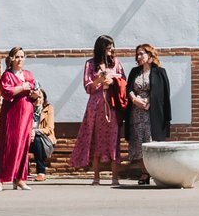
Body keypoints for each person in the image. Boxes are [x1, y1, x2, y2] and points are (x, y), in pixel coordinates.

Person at [72, 34, 125, 185]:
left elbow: (123, 81)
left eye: (113, 46)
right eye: (109, 47)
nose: (112, 49)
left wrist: (113, 80)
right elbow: (88, 87)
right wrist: (100, 80)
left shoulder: (116, 63)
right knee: (95, 139)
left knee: (114, 140)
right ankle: (96, 177)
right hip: (95, 106)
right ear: (102, 48)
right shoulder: (90, 64)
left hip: (112, 105)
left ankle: (115, 178)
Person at [124, 43, 175, 184]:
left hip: (152, 113)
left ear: (150, 55)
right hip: (136, 113)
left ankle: (156, 173)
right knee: (139, 143)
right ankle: (144, 173)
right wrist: (134, 100)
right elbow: (128, 89)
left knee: (151, 143)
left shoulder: (160, 71)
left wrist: (147, 100)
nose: (139, 56)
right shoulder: (134, 71)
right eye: (137, 54)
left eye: (141, 54)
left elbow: (163, 93)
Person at [0, 47, 39, 192]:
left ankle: (19, 179)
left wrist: (34, 94)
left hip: (26, 113)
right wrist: (22, 87)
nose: (20, 59)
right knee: (8, 144)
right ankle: (1, 179)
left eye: (22, 56)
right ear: (12, 59)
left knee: (22, 146)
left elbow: (33, 90)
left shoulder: (28, 74)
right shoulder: (7, 75)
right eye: (17, 57)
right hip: (12, 114)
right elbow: (6, 92)